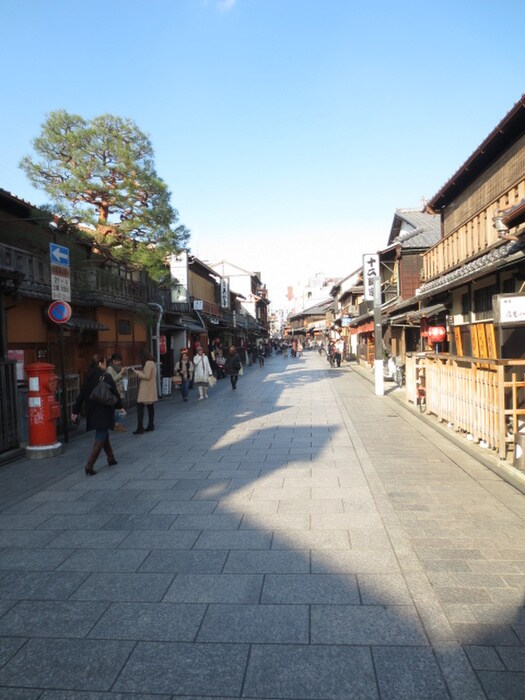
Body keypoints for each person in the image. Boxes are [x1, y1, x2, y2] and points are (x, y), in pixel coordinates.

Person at [71, 355, 121, 476]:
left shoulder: (88, 377)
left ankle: (111, 458)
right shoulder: (106, 377)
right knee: (101, 435)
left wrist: (75, 411)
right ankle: (89, 465)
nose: (105, 365)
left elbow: (81, 395)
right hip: (104, 410)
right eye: (104, 363)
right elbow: (115, 393)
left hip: (92, 411)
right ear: (99, 364)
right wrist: (120, 407)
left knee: (103, 433)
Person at [130, 350, 158, 433]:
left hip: (146, 388)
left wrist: (137, 372)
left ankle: (140, 427)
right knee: (150, 407)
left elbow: (147, 376)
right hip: (150, 388)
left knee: (140, 407)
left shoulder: (148, 363)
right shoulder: (152, 363)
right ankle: (150, 425)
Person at [106, 352, 127, 432]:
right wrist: (121, 373)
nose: (119, 363)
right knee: (116, 408)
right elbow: (112, 380)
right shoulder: (110, 369)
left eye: (120, 361)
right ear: (113, 361)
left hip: (119, 390)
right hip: (114, 391)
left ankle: (117, 424)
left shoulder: (116, 368)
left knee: (118, 408)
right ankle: (115, 425)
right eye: (118, 361)